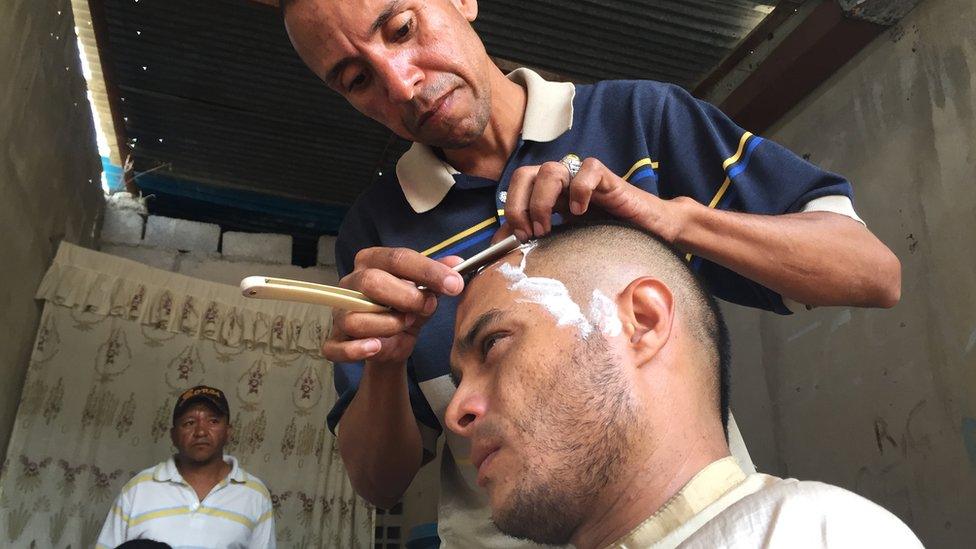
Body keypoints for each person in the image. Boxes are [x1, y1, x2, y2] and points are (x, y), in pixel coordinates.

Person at [280, 0, 902, 545]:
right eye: (358, 79)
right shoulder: (376, 232)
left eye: (403, 27)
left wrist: (669, 220)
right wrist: (386, 361)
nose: (402, 83)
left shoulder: (639, 119)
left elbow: (872, 273)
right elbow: (378, 482)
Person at [445, 222, 920, 548]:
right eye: (458, 379)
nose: (457, 411)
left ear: (642, 322)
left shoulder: (816, 534)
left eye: (491, 344)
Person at [96, 386, 276, 549]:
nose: (201, 431)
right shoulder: (138, 488)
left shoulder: (255, 494)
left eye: (213, 421)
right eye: (189, 422)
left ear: (228, 432)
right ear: (173, 435)